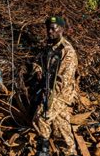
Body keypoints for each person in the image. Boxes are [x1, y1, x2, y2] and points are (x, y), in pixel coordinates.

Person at [33, 16, 78, 156]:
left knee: (41, 116)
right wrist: (38, 71)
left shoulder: (67, 51)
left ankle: (43, 151)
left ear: (62, 30)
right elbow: (37, 62)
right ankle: (69, 152)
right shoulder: (48, 48)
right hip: (50, 91)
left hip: (61, 94)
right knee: (61, 129)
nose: (50, 31)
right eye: (48, 28)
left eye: (53, 28)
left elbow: (64, 79)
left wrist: (50, 95)